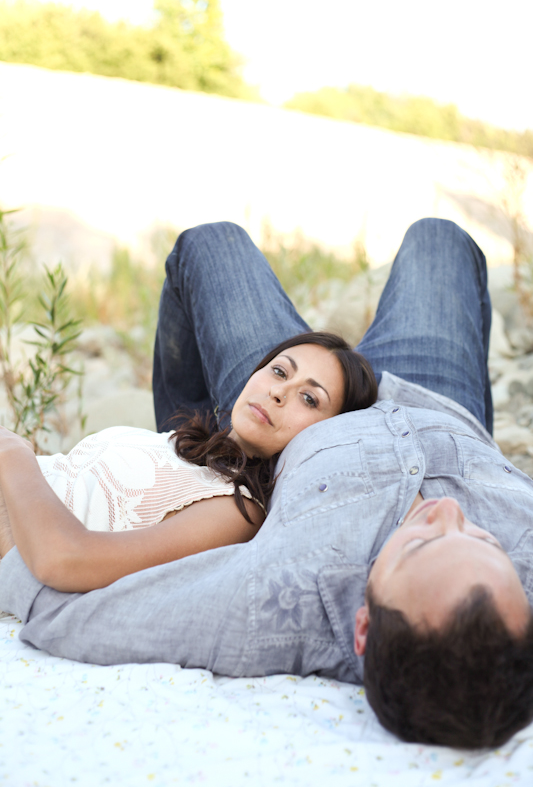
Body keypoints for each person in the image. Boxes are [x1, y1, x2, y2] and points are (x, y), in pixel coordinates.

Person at [1, 218, 533, 751]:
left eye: (421, 544)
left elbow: (83, 606)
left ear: (364, 627)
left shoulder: (278, 606)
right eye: (484, 539)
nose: (446, 512)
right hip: (433, 399)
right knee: (439, 238)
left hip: (298, 422)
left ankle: (201, 459)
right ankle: (202, 447)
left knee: (208, 245)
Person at [0, 330, 376, 592]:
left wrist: (15, 452)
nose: (279, 392)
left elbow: (65, 560)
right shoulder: (178, 444)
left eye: (310, 399)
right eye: (279, 371)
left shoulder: (236, 510)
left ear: (328, 433)